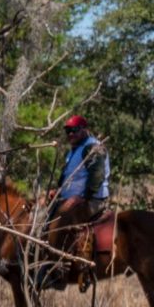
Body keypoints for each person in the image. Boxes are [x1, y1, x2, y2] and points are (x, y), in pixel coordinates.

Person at [41, 114, 110, 282]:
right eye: (68, 131)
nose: (71, 134)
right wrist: (58, 191)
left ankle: (59, 269)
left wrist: (84, 197)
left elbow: (97, 175)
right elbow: (70, 176)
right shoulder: (74, 150)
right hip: (71, 198)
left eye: (75, 130)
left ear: (84, 129)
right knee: (39, 210)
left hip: (92, 200)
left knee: (61, 219)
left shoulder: (93, 147)